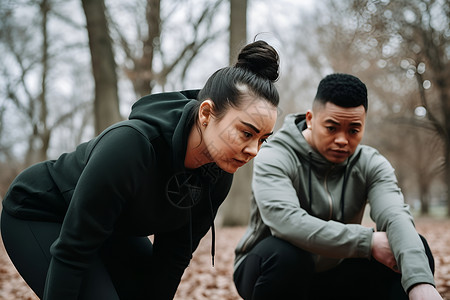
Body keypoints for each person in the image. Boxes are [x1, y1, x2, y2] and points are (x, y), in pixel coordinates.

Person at [0, 40, 280, 300]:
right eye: (246, 133)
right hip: (40, 212)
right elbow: (72, 250)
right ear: (206, 114)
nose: (254, 150)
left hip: (110, 228)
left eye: (262, 140)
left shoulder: (218, 172)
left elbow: (173, 257)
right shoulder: (131, 146)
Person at [233, 73, 442, 300]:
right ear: (311, 119)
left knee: (411, 247)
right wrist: (367, 241)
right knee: (287, 255)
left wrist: (420, 283)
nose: (342, 139)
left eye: (353, 130)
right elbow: (287, 221)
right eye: (332, 128)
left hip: (337, 272)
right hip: (268, 269)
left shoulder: (370, 163)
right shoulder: (276, 154)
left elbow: (395, 216)